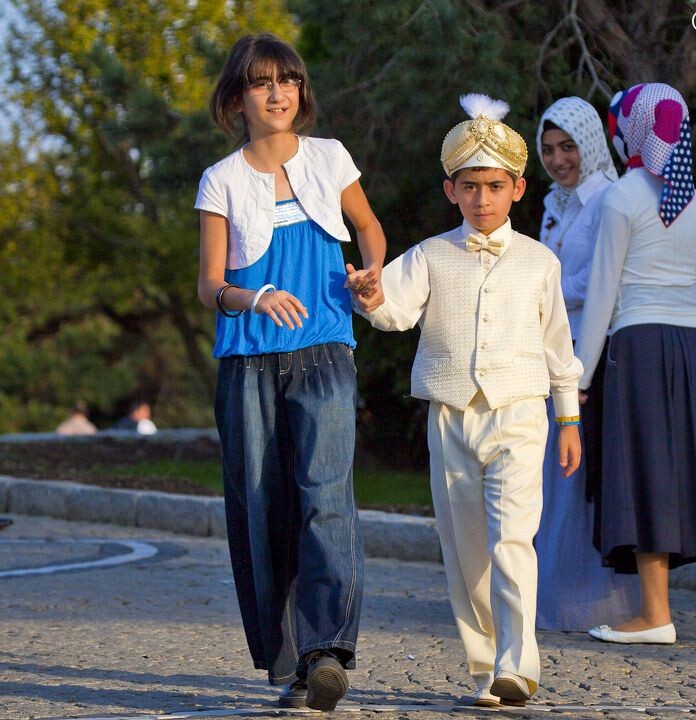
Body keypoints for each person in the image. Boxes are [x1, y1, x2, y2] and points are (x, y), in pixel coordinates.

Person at [350, 94, 583, 708]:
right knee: (466, 548)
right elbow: (394, 312)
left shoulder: (540, 262)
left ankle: (517, 663)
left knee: (513, 539)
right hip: (451, 415)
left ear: (517, 189)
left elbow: (560, 347)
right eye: (470, 187)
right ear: (450, 190)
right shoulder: (431, 255)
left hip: (521, 412)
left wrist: (568, 419)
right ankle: (484, 667)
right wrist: (370, 293)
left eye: (495, 186)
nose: (483, 199)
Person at [194, 34, 386, 711]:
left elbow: (369, 228)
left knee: (325, 496)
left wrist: (369, 277)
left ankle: (326, 649)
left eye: (289, 80)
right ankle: (291, 661)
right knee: (261, 506)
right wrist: (254, 297)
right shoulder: (221, 179)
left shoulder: (330, 158)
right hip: (247, 360)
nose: (278, 92)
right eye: (261, 82)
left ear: (300, 92)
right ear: (237, 98)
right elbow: (208, 285)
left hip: (326, 351)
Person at [576, 83, 696, 645]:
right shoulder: (695, 200)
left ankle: (656, 615)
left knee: (647, 468)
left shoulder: (622, 196)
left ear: (633, 129)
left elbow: (604, 295)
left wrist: (579, 377)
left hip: (640, 345)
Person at [533, 97, 640, 632]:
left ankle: (594, 602)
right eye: (548, 149)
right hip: (551, 349)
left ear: (590, 144)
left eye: (568, 147)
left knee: (582, 476)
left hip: (587, 353)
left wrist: (542, 288)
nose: (558, 159)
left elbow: (604, 280)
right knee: (553, 477)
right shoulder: (556, 202)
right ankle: (549, 595)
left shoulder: (606, 200)